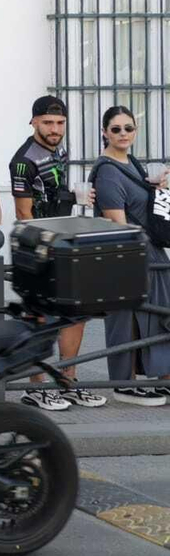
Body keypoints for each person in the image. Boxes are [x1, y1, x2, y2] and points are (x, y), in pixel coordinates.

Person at [10, 97, 105, 411]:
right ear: (33, 122)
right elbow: (24, 214)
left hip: (64, 245)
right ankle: (36, 388)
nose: (55, 129)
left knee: (75, 315)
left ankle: (68, 382)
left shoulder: (59, 151)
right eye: (48, 123)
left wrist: (72, 201)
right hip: (38, 249)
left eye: (60, 123)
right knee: (39, 317)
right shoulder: (24, 160)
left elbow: (53, 198)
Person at [90, 105, 170, 406]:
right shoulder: (109, 172)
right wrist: (132, 261)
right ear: (104, 132)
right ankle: (124, 384)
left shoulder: (133, 164)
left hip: (151, 255)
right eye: (116, 129)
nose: (123, 134)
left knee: (158, 317)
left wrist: (159, 186)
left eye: (129, 128)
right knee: (129, 320)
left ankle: (160, 380)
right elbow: (117, 225)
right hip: (132, 256)